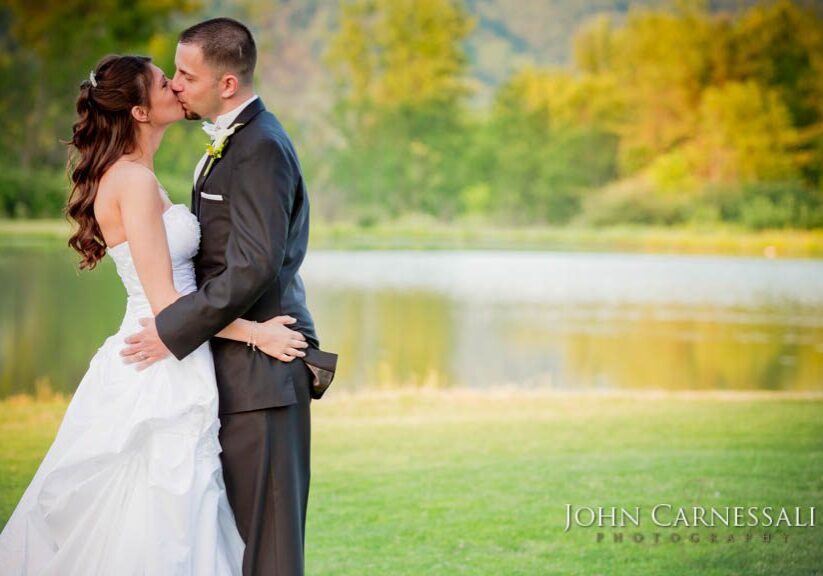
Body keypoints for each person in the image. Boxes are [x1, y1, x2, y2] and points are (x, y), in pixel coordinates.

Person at [0, 52, 318, 574]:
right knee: (158, 508)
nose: (176, 87)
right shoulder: (133, 182)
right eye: (165, 83)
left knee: (181, 508)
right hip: (159, 355)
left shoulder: (138, 176)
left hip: (177, 346)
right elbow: (166, 303)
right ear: (140, 111)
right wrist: (257, 334)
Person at [118, 18, 337, 576]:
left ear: (228, 84)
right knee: (230, 546)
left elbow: (254, 265)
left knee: (269, 552)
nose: (175, 85)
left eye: (186, 76)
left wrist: (173, 326)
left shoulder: (260, 147)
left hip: (264, 374)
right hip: (231, 368)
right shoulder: (233, 141)